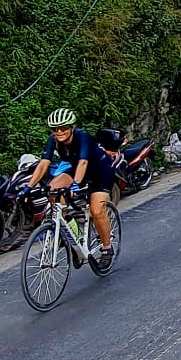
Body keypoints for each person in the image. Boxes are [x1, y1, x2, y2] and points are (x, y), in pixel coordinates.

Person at [25, 106, 116, 265]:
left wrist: (75, 184)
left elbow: (83, 162)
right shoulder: (53, 140)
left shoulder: (83, 137)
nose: (59, 132)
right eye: (55, 129)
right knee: (52, 190)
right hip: (77, 170)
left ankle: (107, 248)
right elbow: (44, 163)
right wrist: (28, 187)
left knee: (96, 210)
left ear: (72, 127)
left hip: (100, 171)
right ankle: (73, 235)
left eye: (63, 128)